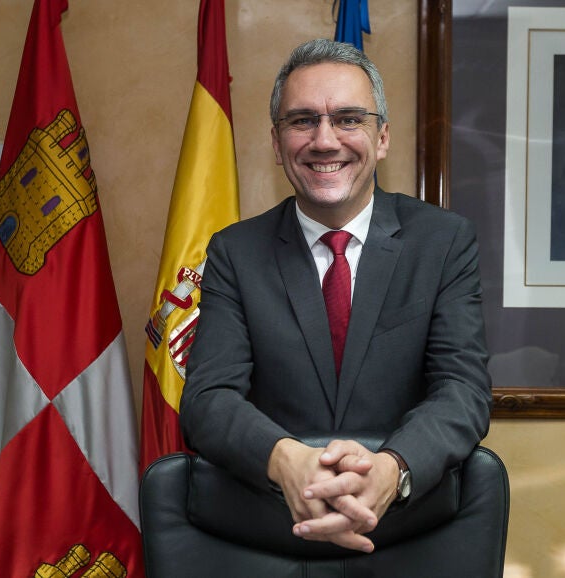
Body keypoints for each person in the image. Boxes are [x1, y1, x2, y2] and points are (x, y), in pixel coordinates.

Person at [179, 38, 492, 555]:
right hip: (266, 537)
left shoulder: (443, 242)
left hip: (411, 539)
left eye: (348, 119)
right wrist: (287, 461)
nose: (325, 141)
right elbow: (207, 400)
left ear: (382, 137)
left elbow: (463, 390)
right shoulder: (235, 252)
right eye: (303, 120)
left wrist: (392, 468)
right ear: (277, 143)